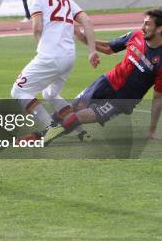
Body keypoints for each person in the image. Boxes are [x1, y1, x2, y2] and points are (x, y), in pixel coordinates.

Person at [10, 0, 100, 145]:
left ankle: (50, 127)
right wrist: (92, 51)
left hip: (50, 56)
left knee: (18, 91)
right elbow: (87, 21)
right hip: (68, 57)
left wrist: (41, 48)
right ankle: (81, 132)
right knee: (50, 94)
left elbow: (37, 27)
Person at [51, 8, 162, 142]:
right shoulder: (135, 35)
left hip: (123, 99)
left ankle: (48, 135)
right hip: (106, 82)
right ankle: (44, 130)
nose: (142, 27)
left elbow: (157, 98)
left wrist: (152, 130)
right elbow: (109, 48)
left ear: (159, 29)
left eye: (147, 24)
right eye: (143, 23)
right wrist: (81, 36)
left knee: (82, 116)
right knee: (73, 107)